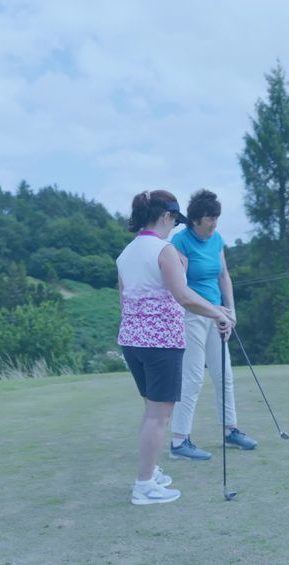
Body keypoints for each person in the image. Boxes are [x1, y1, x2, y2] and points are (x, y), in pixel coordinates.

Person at [117, 190, 233, 505]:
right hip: (161, 344)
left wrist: (213, 310)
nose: (174, 227)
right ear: (166, 217)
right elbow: (183, 296)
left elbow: (124, 302)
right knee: (159, 416)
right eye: (175, 220)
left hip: (132, 342)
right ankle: (144, 486)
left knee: (152, 412)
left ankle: (149, 471)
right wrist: (218, 312)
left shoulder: (126, 253)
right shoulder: (164, 249)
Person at [169, 190, 258, 461]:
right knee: (193, 377)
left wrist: (230, 312)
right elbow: (181, 286)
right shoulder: (180, 241)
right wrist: (214, 311)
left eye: (216, 218)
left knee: (224, 375)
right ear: (195, 219)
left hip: (217, 314)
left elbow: (223, 276)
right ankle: (179, 441)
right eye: (209, 219)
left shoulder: (217, 239)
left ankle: (230, 430)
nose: (214, 224)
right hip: (191, 315)